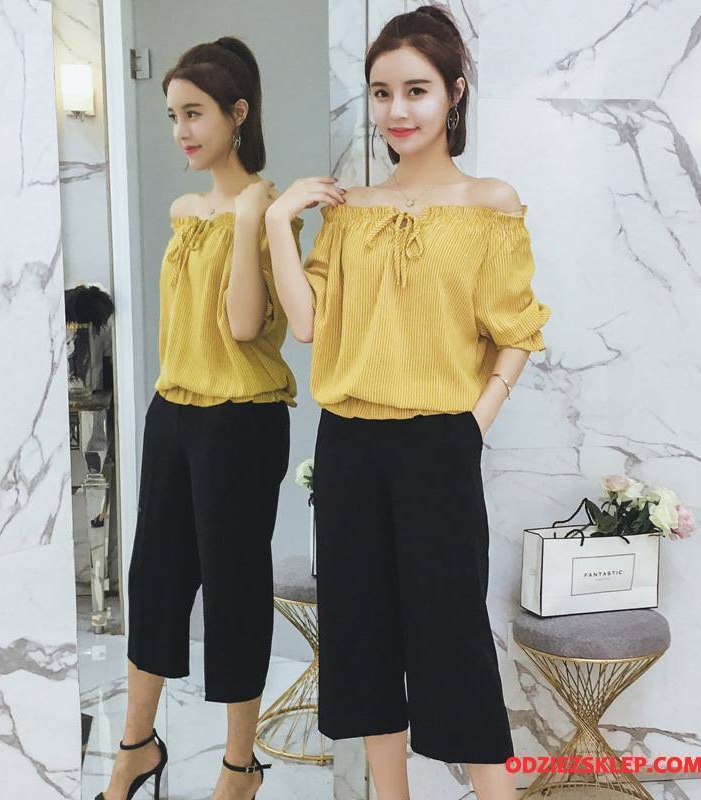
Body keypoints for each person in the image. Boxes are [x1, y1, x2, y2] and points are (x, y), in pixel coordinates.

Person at [264, 7, 551, 800]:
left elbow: (517, 329)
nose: (397, 109)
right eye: (382, 91)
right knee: (360, 638)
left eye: (416, 90)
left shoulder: (489, 203)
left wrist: (474, 422)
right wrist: (279, 220)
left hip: (438, 444)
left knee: (453, 638)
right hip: (348, 444)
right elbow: (306, 323)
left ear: (454, 93)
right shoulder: (348, 210)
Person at [96, 37, 303, 800]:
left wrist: (249, 221)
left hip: (241, 423)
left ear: (237, 114)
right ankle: (135, 746)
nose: (181, 130)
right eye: (173, 115)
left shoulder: (270, 212)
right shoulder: (186, 211)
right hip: (174, 412)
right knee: (154, 580)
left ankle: (239, 767)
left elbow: (245, 326)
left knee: (233, 588)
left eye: (194, 113)